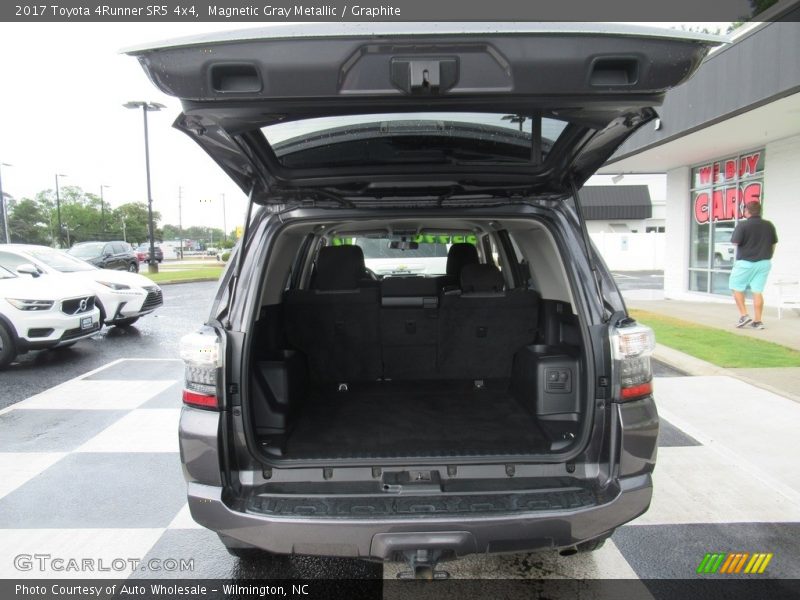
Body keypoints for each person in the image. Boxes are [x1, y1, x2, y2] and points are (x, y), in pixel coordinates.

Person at [728, 201, 778, 329]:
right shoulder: (769, 225)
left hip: (745, 263)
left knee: (736, 287)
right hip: (764, 263)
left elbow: (735, 242)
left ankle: (744, 315)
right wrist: (769, 256)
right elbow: (773, 244)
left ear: (747, 211)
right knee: (757, 291)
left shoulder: (743, 225)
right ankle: (758, 321)